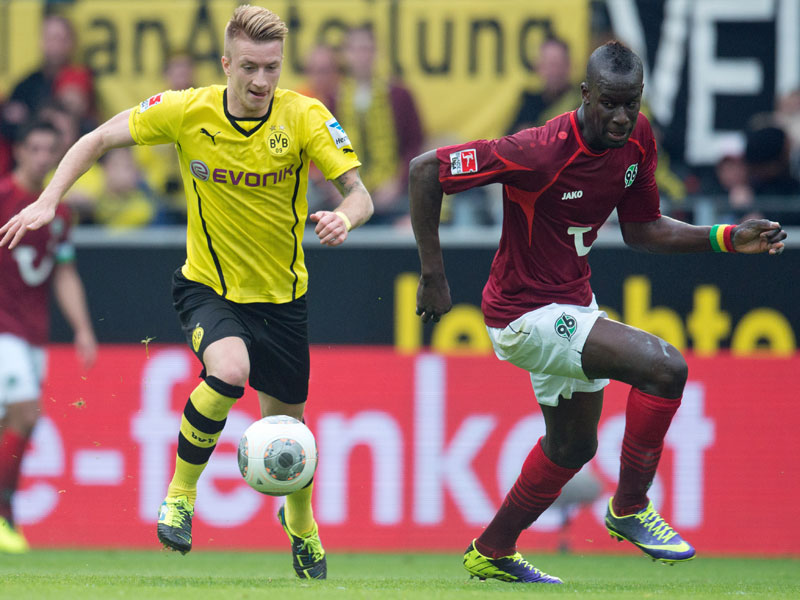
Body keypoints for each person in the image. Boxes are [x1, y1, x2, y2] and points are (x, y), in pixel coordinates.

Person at [0, 5, 373, 578]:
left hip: (282, 300)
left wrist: (346, 218)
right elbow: (96, 139)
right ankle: (180, 496)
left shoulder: (305, 117)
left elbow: (360, 193)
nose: (260, 81)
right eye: (249, 66)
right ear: (225, 63)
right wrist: (49, 200)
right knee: (228, 371)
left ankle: (301, 526)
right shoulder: (185, 110)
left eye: (272, 68)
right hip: (208, 287)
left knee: (289, 432)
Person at [409, 41, 786, 584]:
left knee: (573, 445)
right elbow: (426, 171)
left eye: (631, 102)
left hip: (571, 304)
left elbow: (643, 229)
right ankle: (630, 507)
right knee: (665, 367)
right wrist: (434, 275)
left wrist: (726, 238)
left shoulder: (638, 139)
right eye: (609, 102)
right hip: (522, 315)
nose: (621, 116)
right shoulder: (537, 149)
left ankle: (491, 550)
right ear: (585, 94)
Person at [0, 120, 97, 553]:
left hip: (33, 333)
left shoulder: (58, 212)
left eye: (49, 151)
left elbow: (64, 270)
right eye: (35, 149)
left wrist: (82, 329)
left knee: (14, 423)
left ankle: (7, 514)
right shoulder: (3, 199)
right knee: (26, 413)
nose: (42, 158)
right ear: (19, 151)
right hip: (4, 329)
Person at [337, 25, 423, 225]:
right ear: (346, 55)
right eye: (355, 49)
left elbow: (415, 145)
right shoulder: (335, 98)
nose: (362, 56)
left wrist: (397, 183)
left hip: (394, 198)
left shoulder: (399, 95)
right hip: (348, 196)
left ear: (376, 53)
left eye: (367, 49)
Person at [0, 14, 95, 143]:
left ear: (72, 43)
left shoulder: (78, 76)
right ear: (41, 41)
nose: (55, 45)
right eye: (50, 38)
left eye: (60, 38)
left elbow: (71, 107)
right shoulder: (27, 84)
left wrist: (28, 117)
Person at [507, 37, 582, 134]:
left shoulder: (580, 102)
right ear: (539, 67)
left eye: (558, 64)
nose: (554, 71)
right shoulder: (529, 103)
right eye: (549, 65)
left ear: (569, 66)